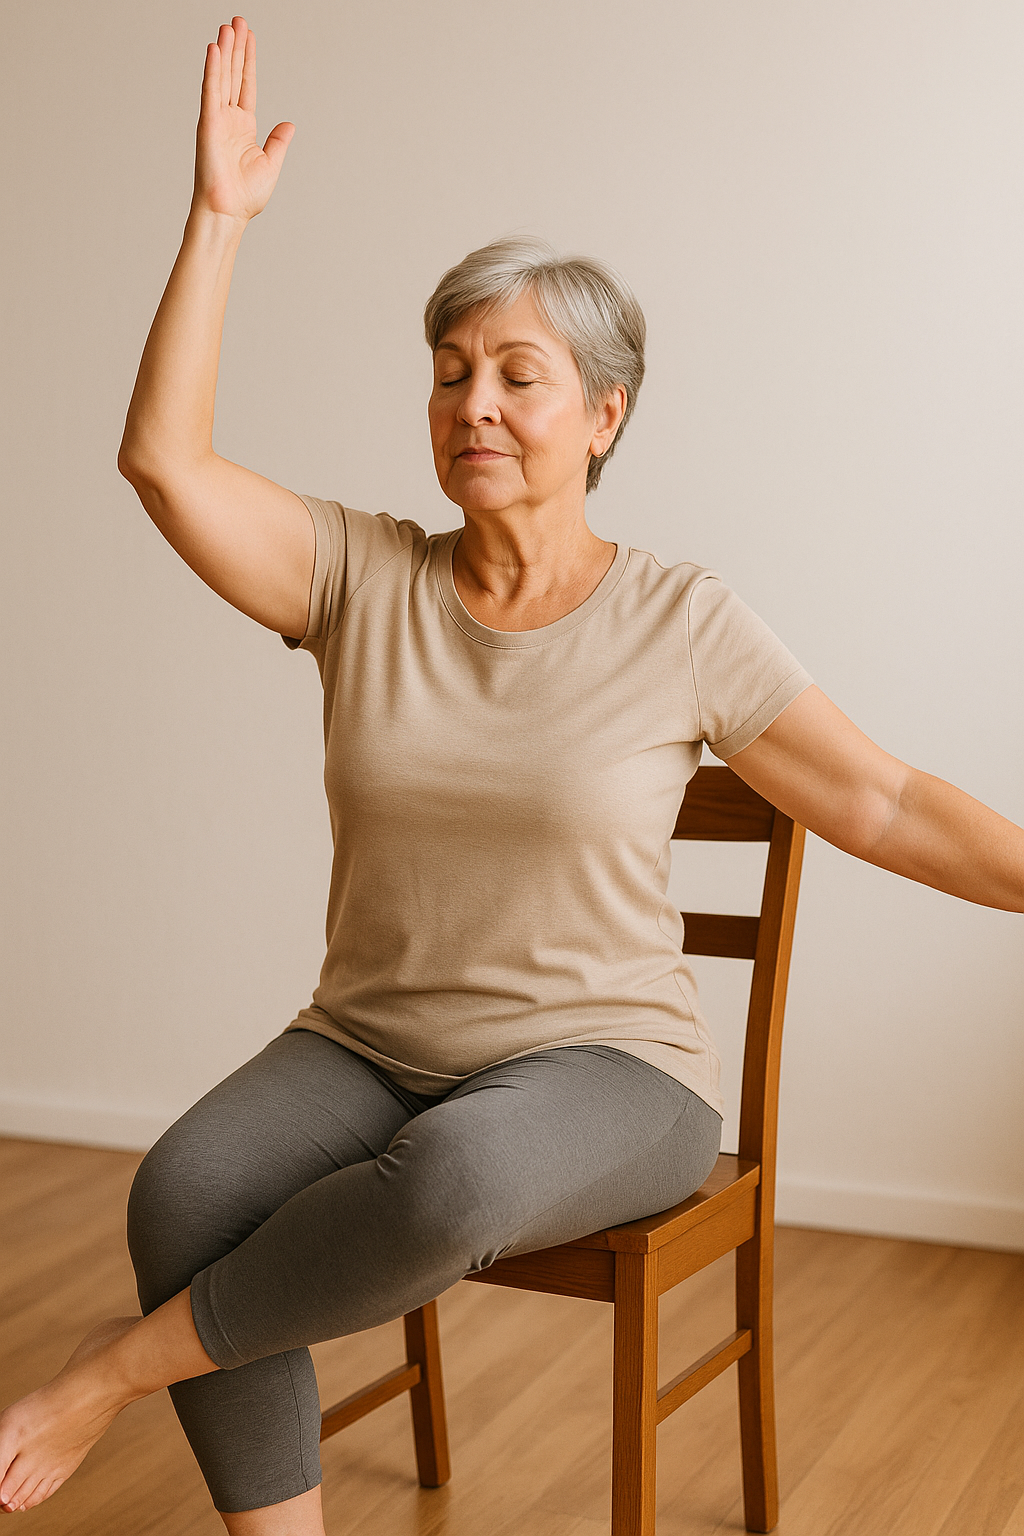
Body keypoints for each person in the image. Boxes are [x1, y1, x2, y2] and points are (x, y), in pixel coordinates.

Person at [1, 14, 1021, 1534]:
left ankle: (105, 1374)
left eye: (518, 376)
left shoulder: (682, 618)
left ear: (604, 416)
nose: (473, 402)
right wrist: (218, 220)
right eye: (449, 371)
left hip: (606, 1074)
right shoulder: (360, 577)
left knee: (450, 1183)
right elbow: (164, 461)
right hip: (365, 1042)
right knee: (185, 1187)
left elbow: (878, 799)